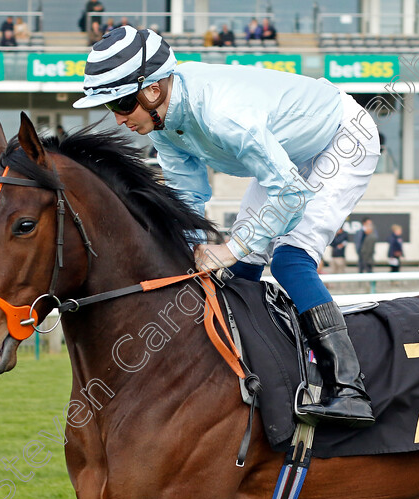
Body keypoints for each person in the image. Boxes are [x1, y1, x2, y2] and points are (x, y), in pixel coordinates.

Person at [73, 27, 380, 427]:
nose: (118, 118)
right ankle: (260, 371)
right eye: (110, 106)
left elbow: (289, 193)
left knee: (288, 260)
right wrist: (190, 256)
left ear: (151, 91)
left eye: (121, 103)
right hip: (288, 151)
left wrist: (229, 248)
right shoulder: (162, 124)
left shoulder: (222, 112)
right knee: (241, 270)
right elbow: (188, 199)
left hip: (342, 138)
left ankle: (349, 390)